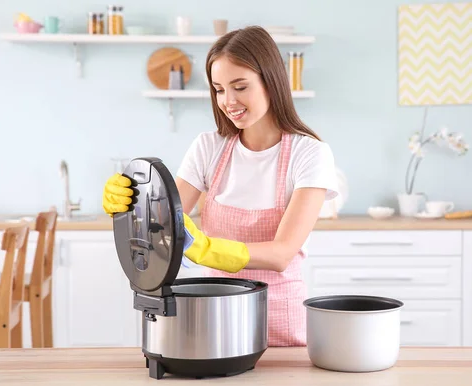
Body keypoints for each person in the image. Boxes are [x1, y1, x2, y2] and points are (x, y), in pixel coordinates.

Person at [102, 25, 338, 347]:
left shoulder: (309, 153)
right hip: (215, 312)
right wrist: (131, 205)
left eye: (240, 87)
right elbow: (162, 223)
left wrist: (207, 249)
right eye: (219, 89)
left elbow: (282, 253)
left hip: (280, 318)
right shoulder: (208, 148)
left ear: (271, 81)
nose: (229, 101)